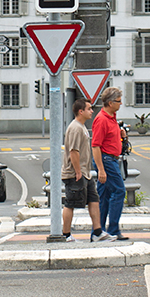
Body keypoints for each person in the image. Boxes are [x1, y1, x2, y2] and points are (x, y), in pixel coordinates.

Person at [64, 99, 111, 243]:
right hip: (75, 173)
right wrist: (77, 171)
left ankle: (98, 232)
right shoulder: (75, 128)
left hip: (86, 173)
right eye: (89, 109)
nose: (92, 111)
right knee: (70, 203)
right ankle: (65, 235)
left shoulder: (82, 127)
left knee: (93, 199)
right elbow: (73, 152)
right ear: (81, 111)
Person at [92, 87, 128, 241]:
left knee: (104, 196)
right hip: (106, 160)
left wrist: (120, 135)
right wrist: (101, 169)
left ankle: (98, 232)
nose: (121, 104)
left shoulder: (112, 117)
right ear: (110, 102)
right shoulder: (101, 119)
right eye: (119, 101)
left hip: (110, 158)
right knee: (119, 191)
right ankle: (113, 230)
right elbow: (95, 146)